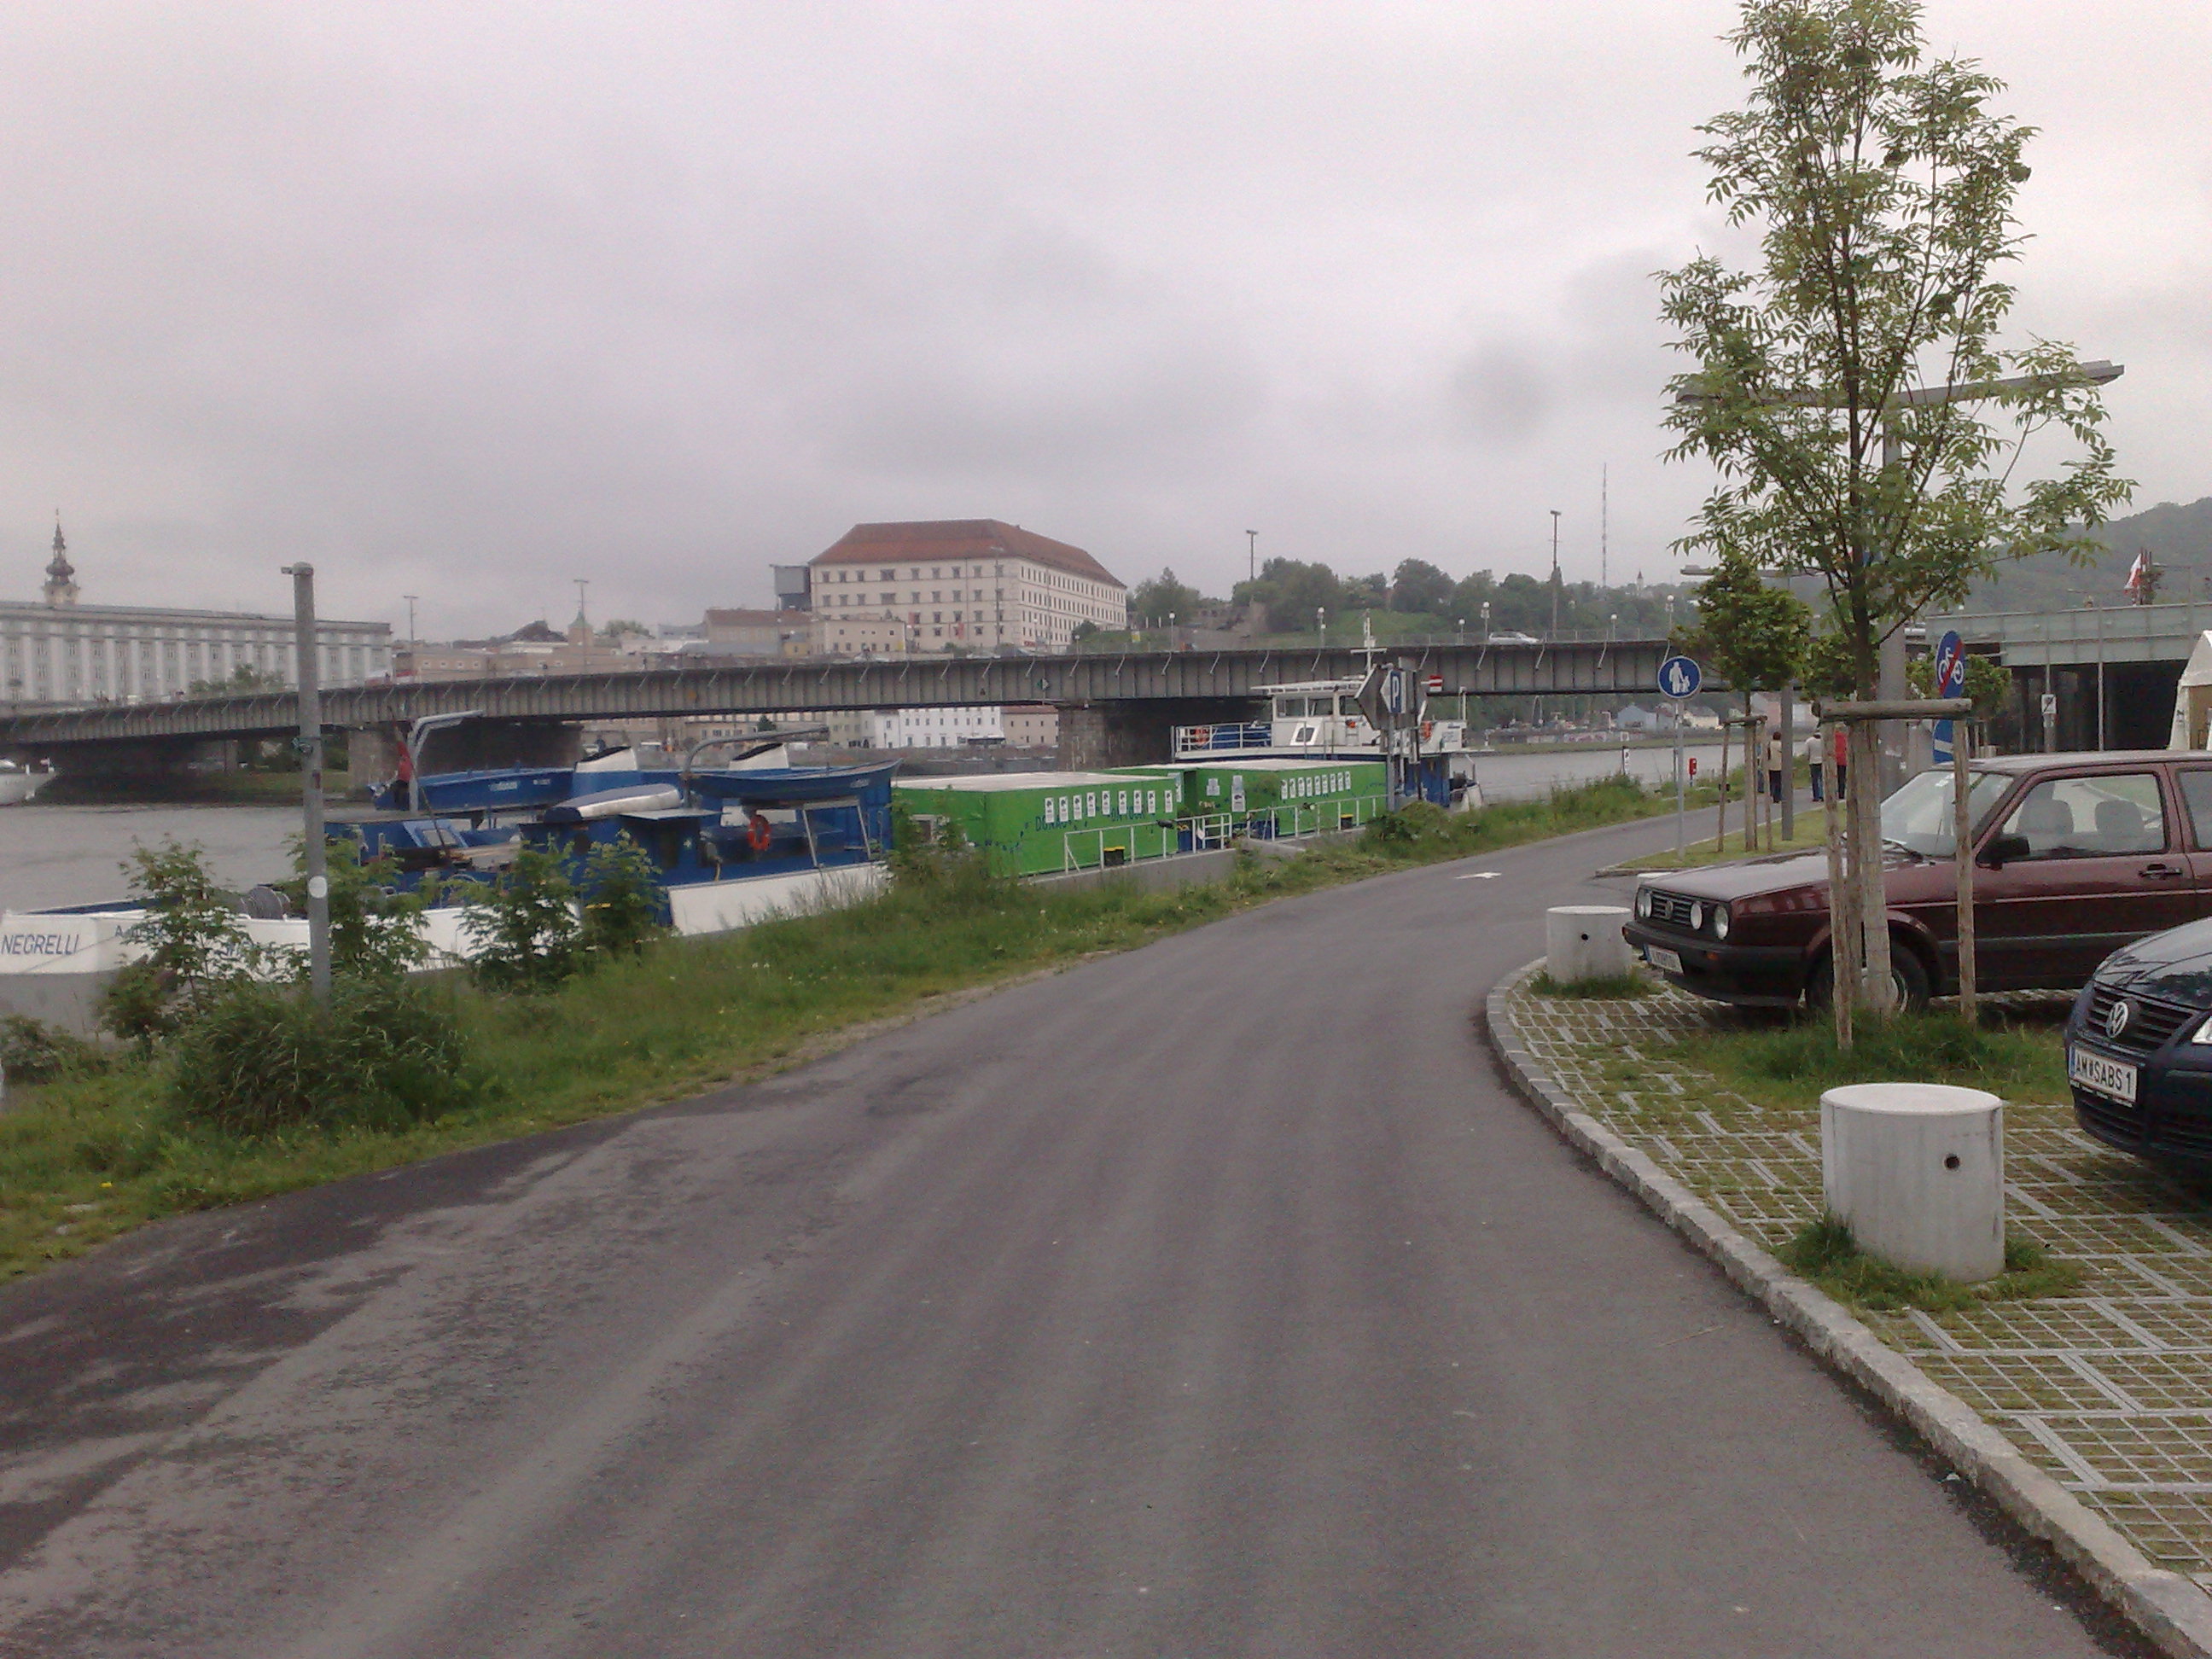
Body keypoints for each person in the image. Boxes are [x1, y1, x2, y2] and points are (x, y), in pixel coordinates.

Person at [1766, 727, 1785, 804]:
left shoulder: (1769, 744)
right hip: (1779, 766)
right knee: (1779, 782)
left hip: (1770, 765)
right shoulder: (1781, 745)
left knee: (1771, 781)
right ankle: (1777, 797)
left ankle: (1771, 794)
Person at [1804, 732, 1825, 802]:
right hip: (1822, 761)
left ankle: (1816, 796)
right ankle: (1822, 794)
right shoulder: (1823, 740)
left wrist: (1808, 759)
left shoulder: (1809, 741)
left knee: (1815, 780)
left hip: (1813, 762)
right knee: (1822, 779)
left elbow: (1806, 752)